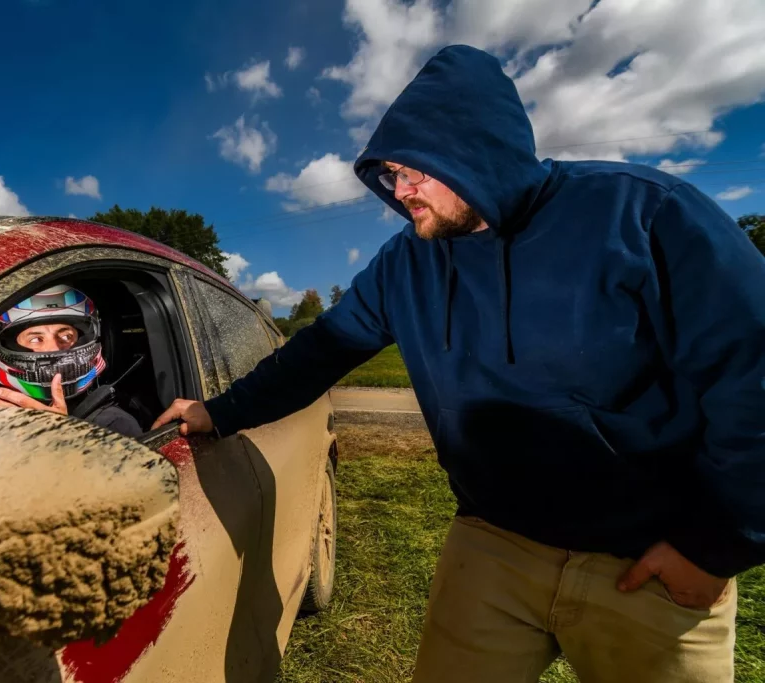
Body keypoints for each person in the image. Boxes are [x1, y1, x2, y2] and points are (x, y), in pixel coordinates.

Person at [154, 45, 765, 682]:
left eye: (415, 169)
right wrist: (216, 412)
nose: (400, 190)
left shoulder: (646, 214)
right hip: (493, 540)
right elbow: (317, 354)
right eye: (390, 173)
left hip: (647, 557)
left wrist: (715, 545)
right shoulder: (405, 265)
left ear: (477, 149)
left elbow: (754, 372)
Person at [0, 284, 142, 438]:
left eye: (66, 336)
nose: (55, 348)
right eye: (36, 339)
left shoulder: (114, 424)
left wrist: (60, 437)